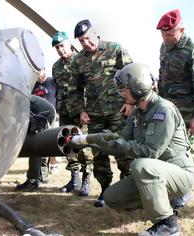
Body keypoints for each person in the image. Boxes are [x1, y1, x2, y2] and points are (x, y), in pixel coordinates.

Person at [71, 63, 194, 236]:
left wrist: (119, 144)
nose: (122, 93)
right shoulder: (138, 113)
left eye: (124, 89)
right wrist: (98, 141)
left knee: (140, 165)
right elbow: (123, 139)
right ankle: (160, 202)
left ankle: (168, 224)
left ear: (138, 88)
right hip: (155, 174)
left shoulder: (163, 110)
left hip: (179, 173)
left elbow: (150, 152)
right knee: (112, 197)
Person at [68, 19, 134, 207]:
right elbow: (74, 89)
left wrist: (131, 102)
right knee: (99, 154)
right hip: (95, 115)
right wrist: (80, 110)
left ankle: (127, 188)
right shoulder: (78, 60)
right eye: (81, 41)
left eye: (87, 38)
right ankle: (105, 189)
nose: (85, 43)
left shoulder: (115, 49)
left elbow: (132, 75)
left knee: (124, 151)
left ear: (96, 33)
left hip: (118, 112)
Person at [156, 9, 194, 162]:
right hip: (168, 110)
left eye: (169, 35)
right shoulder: (164, 46)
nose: (165, 38)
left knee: (185, 156)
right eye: (163, 35)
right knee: (166, 153)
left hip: (187, 113)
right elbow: (162, 76)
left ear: (182, 30)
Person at [51, 31, 93, 196]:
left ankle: (86, 180)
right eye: (57, 47)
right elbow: (58, 89)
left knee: (84, 145)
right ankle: (74, 179)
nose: (60, 50)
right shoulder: (56, 67)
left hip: (81, 111)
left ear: (69, 43)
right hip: (64, 111)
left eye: (62, 45)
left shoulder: (82, 60)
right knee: (68, 145)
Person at [16, 70, 57, 191]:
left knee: (35, 148)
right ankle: (38, 177)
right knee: (37, 147)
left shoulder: (19, 97)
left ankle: (33, 181)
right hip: (40, 114)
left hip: (46, 115)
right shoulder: (19, 95)